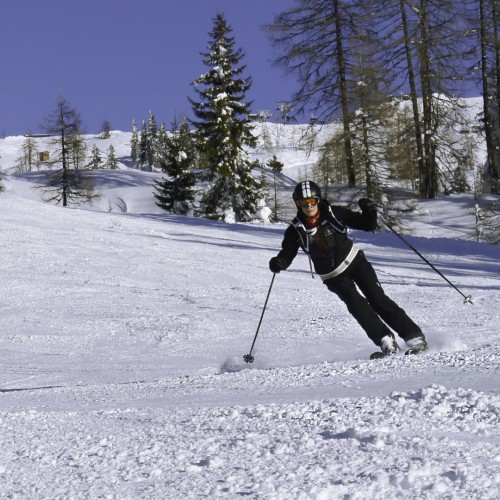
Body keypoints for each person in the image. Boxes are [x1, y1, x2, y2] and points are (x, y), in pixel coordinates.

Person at [269, 180, 428, 357]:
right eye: (303, 203)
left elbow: (366, 224)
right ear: (297, 203)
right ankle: (386, 341)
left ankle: (414, 336)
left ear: (318, 200)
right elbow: (287, 252)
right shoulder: (295, 229)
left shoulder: (333, 213)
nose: (308, 207)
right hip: (333, 276)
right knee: (357, 305)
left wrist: (369, 211)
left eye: (311, 201)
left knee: (377, 298)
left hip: (355, 261)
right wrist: (279, 262)